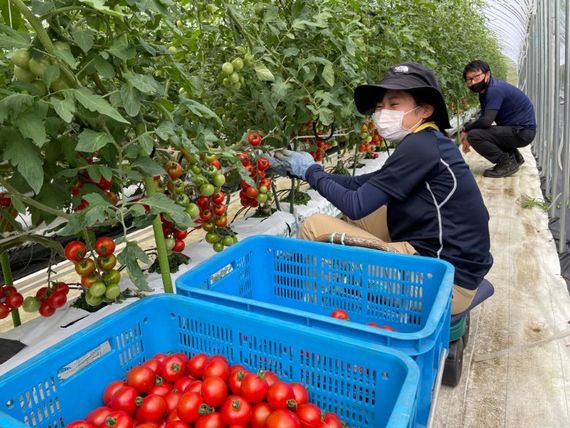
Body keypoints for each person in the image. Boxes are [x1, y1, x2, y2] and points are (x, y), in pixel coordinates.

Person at [269, 62, 493, 315]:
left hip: (442, 284)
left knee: (315, 226)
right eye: (379, 107)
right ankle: (340, 281)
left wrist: (310, 171)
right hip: (446, 264)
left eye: (394, 104)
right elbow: (357, 185)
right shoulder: (428, 141)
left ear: (425, 110)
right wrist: (307, 171)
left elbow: (356, 201)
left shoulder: (420, 147)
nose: (382, 113)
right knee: (357, 216)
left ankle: (292, 308)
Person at [460, 60, 536, 178]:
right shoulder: (486, 91)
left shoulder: (495, 90)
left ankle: (506, 163)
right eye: (469, 80)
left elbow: (486, 121)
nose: (473, 82)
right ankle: (515, 157)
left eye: (476, 77)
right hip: (519, 130)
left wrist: (466, 129)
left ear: (487, 74)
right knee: (485, 131)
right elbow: (485, 117)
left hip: (522, 132)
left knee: (474, 135)